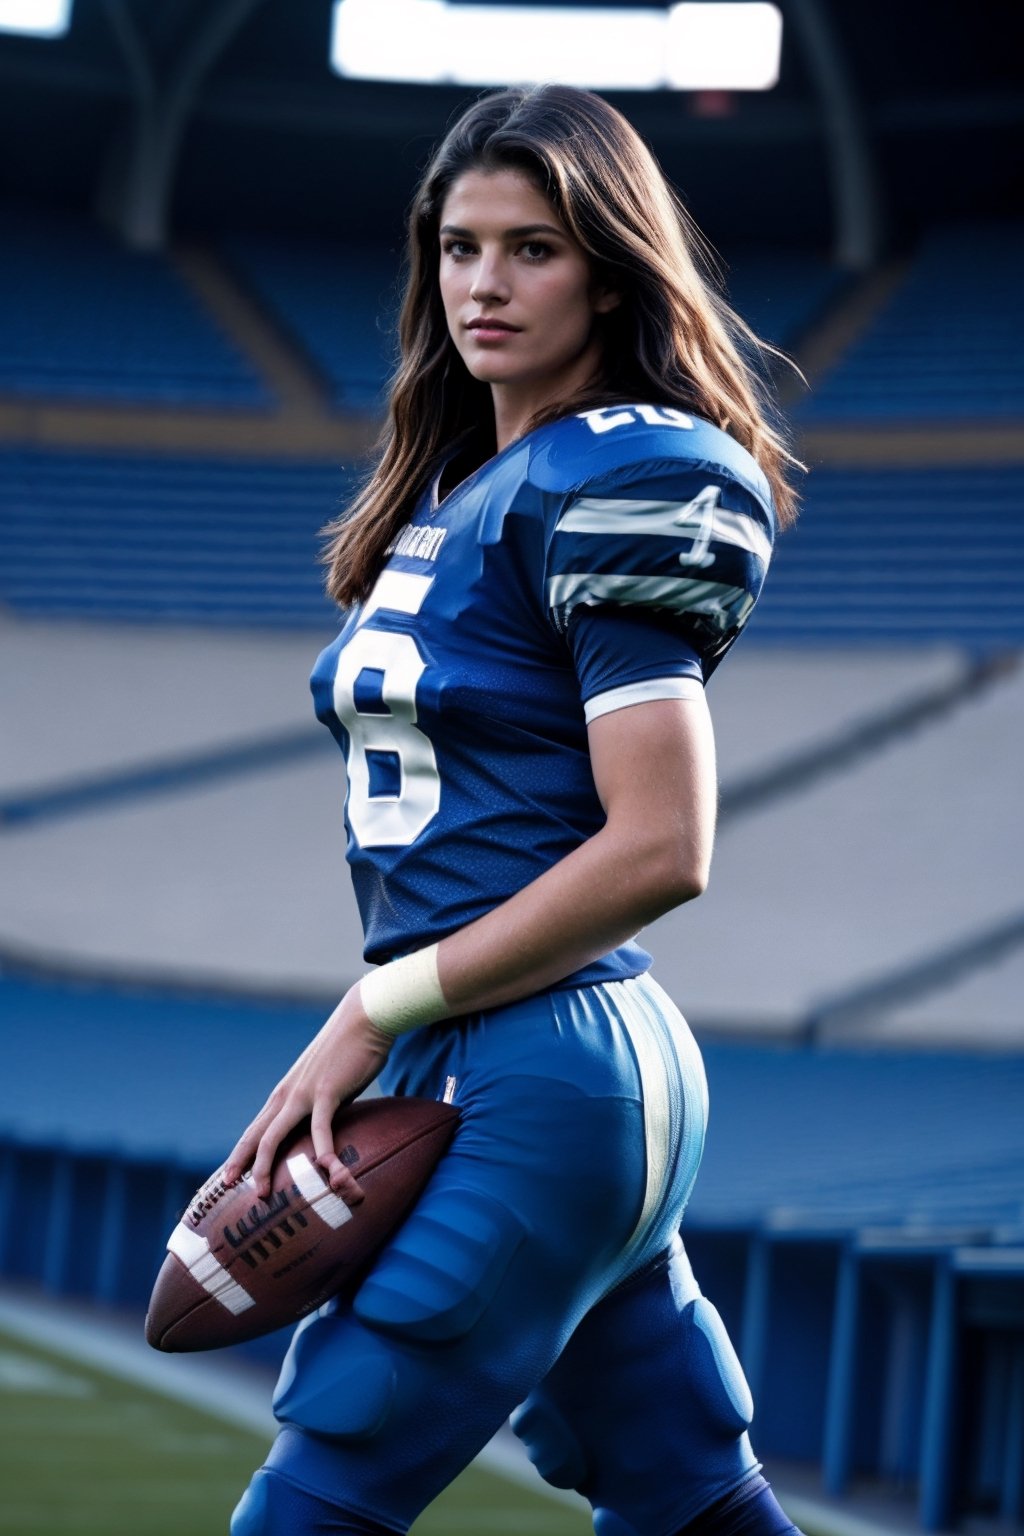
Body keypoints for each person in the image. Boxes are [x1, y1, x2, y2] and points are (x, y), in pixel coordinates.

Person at [224, 83, 802, 1536]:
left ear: (610, 267)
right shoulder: (467, 486)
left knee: (324, 1487)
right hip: (514, 1052)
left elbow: (662, 848)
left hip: (539, 1059)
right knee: (691, 1498)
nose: (485, 283)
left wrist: (377, 1009)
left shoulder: (632, 466)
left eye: (533, 247)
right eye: (460, 245)